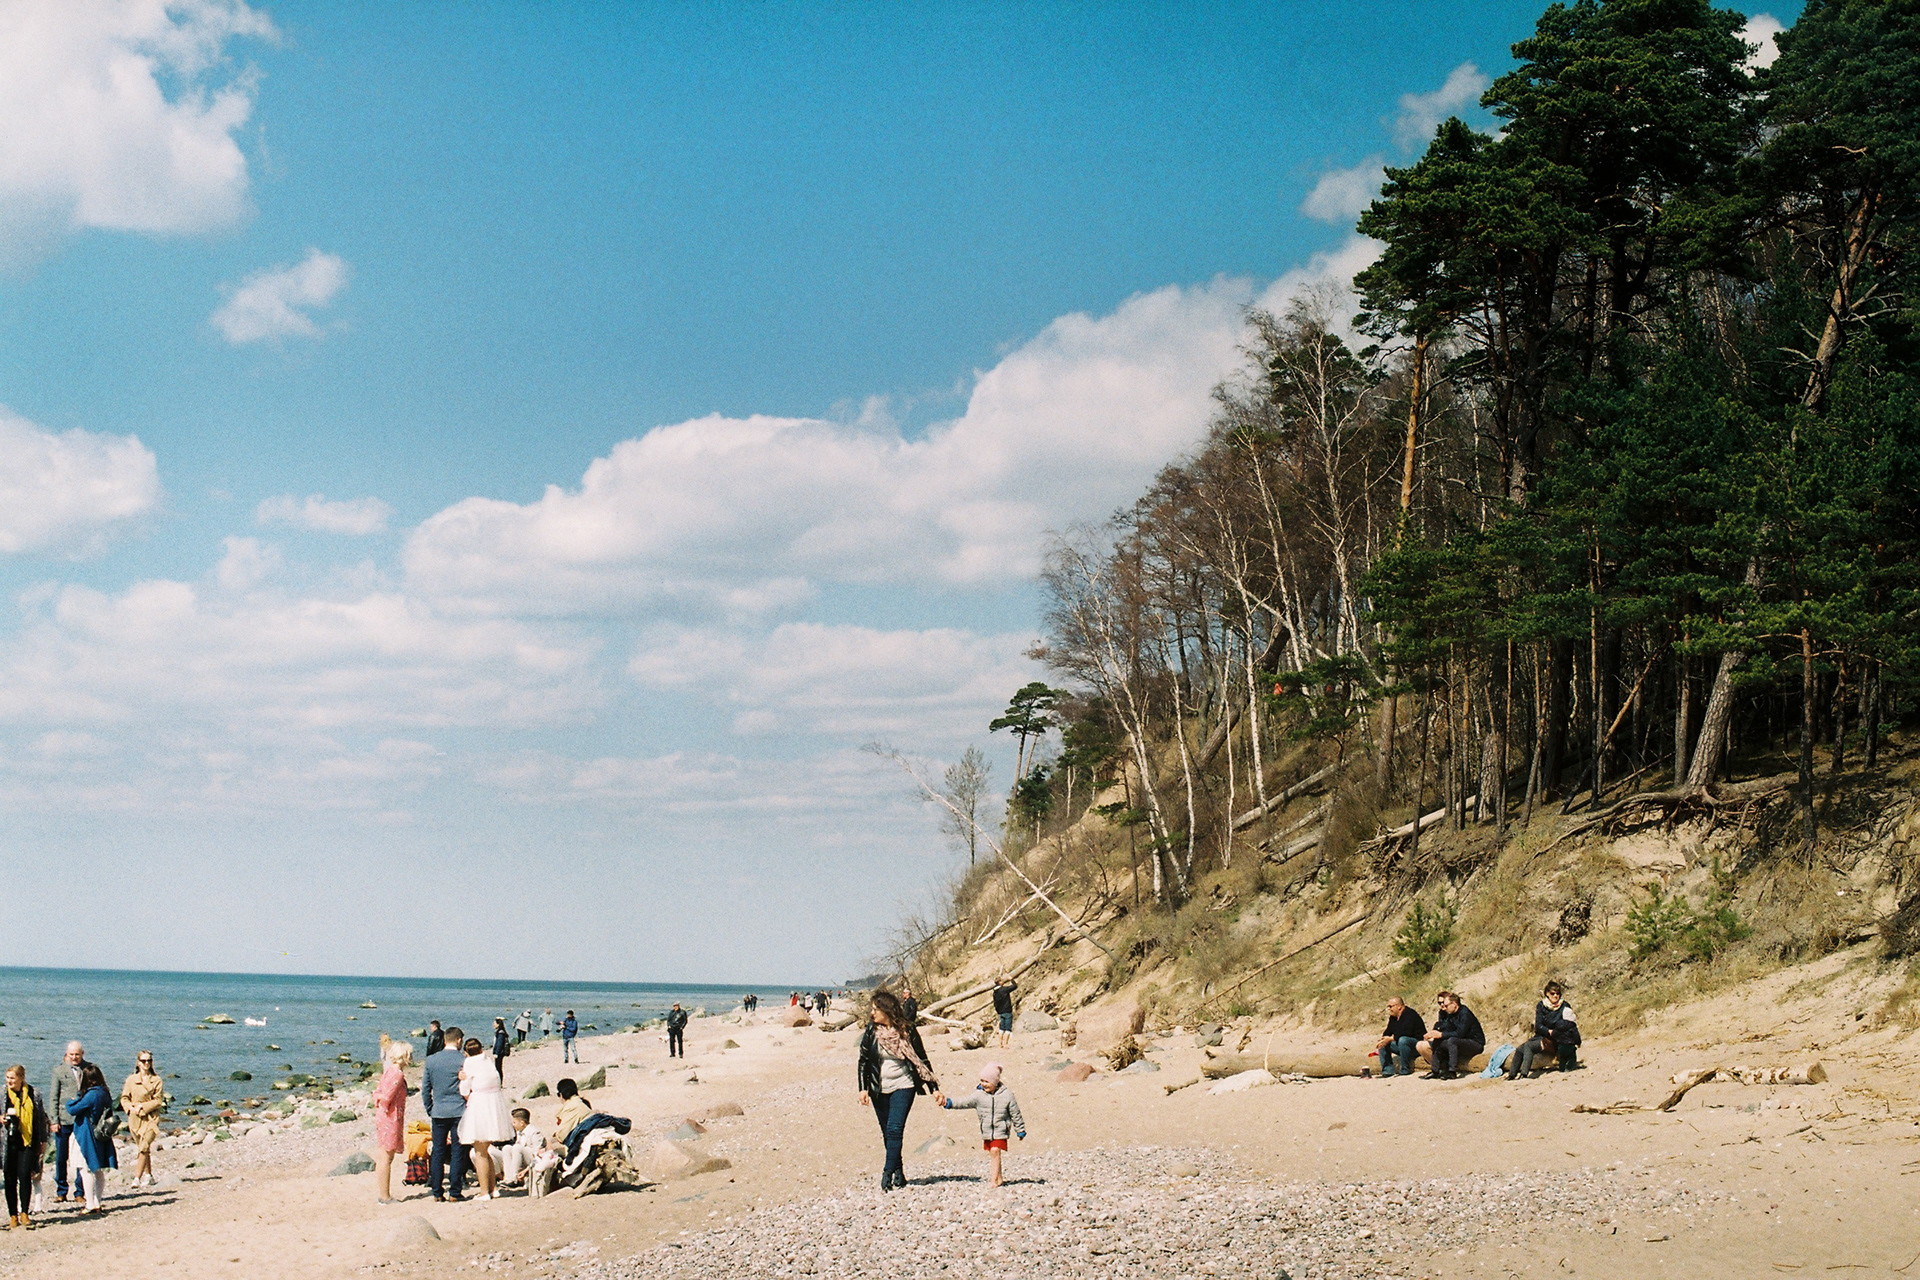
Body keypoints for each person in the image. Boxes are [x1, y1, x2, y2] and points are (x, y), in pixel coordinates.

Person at [857, 988, 938, 1192]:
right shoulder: (871, 1031)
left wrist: (934, 1088)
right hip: (878, 1088)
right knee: (887, 1132)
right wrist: (862, 1088)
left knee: (895, 1129)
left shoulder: (907, 1030)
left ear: (887, 1010)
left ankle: (886, 1173)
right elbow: (864, 1061)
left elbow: (921, 1059)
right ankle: (899, 1171)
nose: (872, 1013)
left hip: (904, 1085)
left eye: (876, 1009)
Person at [935, 1062, 1026, 1188]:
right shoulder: (979, 1095)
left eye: (987, 1081)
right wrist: (949, 1103)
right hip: (987, 1131)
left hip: (1001, 1130)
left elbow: (1015, 1113)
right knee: (993, 1153)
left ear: (995, 1082)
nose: (984, 1084)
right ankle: (999, 1178)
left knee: (995, 1151)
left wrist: (1020, 1130)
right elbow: (964, 1102)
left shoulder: (1007, 1095)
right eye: (982, 1081)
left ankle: (993, 1181)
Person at [458, 1037, 514, 1200]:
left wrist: (462, 1079)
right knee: (486, 1149)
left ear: (466, 1053)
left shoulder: (470, 1063)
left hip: (480, 1105)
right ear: (481, 1049)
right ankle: (493, 1187)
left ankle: (484, 1192)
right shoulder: (488, 1061)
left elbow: (464, 1090)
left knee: (479, 1151)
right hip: (494, 1104)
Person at [420, 1024, 470, 1202]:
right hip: (459, 1110)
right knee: (458, 1151)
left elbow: (425, 1089)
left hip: (439, 1110)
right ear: (458, 1040)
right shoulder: (463, 1060)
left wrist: (430, 1108)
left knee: (438, 1151)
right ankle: (455, 1191)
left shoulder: (432, 1060)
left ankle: (437, 1190)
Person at [64, 1063, 116, 1212]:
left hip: (86, 1134)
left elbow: (73, 1109)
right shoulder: (105, 1092)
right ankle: (97, 1202)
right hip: (100, 1134)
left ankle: (90, 1204)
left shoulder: (91, 1095)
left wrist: (71, 1099)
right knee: (98, 1170)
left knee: (85, 1169)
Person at [3, 1064, 48, 1230]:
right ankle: (12, 1215)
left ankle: (24, 1213)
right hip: (7, 1142)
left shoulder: (33, 1093)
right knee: (9, 1178)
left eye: (13, 1078)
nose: (9, 1081)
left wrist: (43, 1141)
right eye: (7, 1078)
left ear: (21, 1078)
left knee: (24, 1176)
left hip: (27, 1140)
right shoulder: (2, 1094)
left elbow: (41, 1119)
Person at [1507, 981, 1581, 1078]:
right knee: (1520, 1049)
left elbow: (1569, 1025)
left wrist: (1554, 1033)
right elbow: (1538, 1025)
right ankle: (1512, 1075)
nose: (1555, 996)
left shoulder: (1565, 1006)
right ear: (1547, 994)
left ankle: (1524, 1074)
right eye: (1552, 994)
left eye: (1558, 994)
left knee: (1529, 1046)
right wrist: (1547, 1031)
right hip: (1544, 1034)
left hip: (1557, 1038)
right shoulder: (1542, 1005)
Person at [373, 1037, 412, 1205]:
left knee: (384, 1155)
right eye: (409, 1055)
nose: (411, 1058)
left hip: (385, 1115)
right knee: (386, 1157)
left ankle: (384, 1194)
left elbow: (379, 1092)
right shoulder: (396, 1073)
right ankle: (384, 1196)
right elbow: (386, 1096)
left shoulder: (389, 1070)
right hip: (390, 1117)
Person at [119, 1051, 165, 1187]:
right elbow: (124, 1098)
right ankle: (149, 1175)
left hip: (151, 1119)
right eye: (144, 1061)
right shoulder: (131, 1080)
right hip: (134, 1118)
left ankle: (136, 1178)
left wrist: (142, 1107)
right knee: (142, 1147)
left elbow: (158, 1101)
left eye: (149, 1061)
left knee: (144, 1146)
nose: (147, 1063)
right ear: (138, 1062)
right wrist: (129, 1108)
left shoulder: (156, 1080)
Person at [1419, 991, 1486, 1080]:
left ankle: (1452, 1071)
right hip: (1460, 1043)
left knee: (1452, 1040)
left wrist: (1441, 1034)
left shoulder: (1465, 1014)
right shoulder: (1450, 1013)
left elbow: (1460, 1033)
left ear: (1454, 1004)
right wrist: (1434, 1033)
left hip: (1475, 1044)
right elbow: (1443, 1026)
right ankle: (1435, 1070)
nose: (1444, 1007)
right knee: (1438, 1040)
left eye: (1446, 1005)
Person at [49, 1041, 84, 1204]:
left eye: (77, 1054)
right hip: (63, 1119)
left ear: (82, 1054)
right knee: (61, 1157)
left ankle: (80, 1191)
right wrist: (53, 1120)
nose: (74, 1057)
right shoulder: (58, 1070)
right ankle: (61, 1191)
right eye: (71, 1054)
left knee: (81, 1157)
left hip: (82, 1119)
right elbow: (53, 1097)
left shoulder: (89, 1069)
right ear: (67, 1054)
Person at [1371, 997, 1426, 1078]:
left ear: (1399, 1006)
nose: (1389, 1009)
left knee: (1403, 1040)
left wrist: (1390, 1039)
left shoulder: (1410, 1014)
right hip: (1402, 1046)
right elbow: (1388, 1031)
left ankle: (1405, 1069)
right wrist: (1384, 1039)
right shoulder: (1393, 1017)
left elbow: (1407, 1032)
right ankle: (1387, 1070)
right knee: (1384, 1043)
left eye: (1390, 1006)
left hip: (1417, 1045)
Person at [498, 1108, 545, 1186]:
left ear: (522, 1123)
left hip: (533, 1159)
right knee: (507, 1148)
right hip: (522, 1158)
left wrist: (526, 1170)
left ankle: (514, 1178)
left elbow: (537, 1154)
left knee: (517, 1147)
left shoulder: (535, 1132)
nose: (513, 1125)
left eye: (514, 1122)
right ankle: (508, 1178)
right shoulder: (520, 1132)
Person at [551, 1077, 591, 1143]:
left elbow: (562, 1136)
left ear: (561, 1095)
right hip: (587, 1136)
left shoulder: (572, 1107)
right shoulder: (581, 1103)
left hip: (584, 1142)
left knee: (551, 1144)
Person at [991, 976, 1017, 1048]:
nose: (1003, 981)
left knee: (1001, 1028)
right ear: (1000, 982)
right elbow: (1015, 986)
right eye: (1002, 980)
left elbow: (995, 1004)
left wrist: (998, 1011)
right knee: (1008, 1028)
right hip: (1007, 1011)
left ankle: (1000, 1044)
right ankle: (1006, 1044)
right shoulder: (1004, 990)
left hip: (1000, 1012)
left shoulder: (995, 992)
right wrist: (1011, 979)